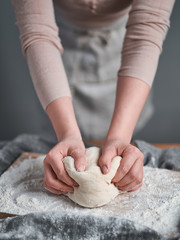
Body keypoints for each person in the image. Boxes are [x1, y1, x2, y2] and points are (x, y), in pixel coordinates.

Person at [11, 0, 175, 195]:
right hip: (56, 63)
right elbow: (38, 33)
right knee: (59, 146)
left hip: (126, 56)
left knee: (119, 155)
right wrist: (67, 134)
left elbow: (147, 30)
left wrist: (120, 137)